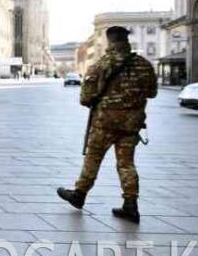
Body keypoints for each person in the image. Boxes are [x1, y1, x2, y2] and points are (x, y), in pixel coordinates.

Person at [57, 26, 158, 223]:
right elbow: (152, 92)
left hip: (104, 123)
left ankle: (79, 194)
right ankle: (130, 205)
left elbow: (85, 98)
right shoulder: (143, 65)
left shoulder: (100, 65)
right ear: (126, 41)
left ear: (109, 41)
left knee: (93, 158)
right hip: (131, 125)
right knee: (126, 164)